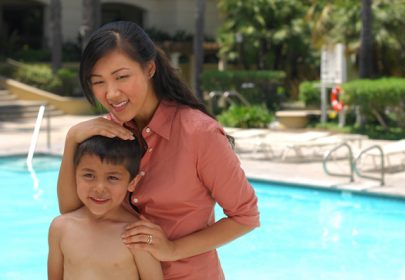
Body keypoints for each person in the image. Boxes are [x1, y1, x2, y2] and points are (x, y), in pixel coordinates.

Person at [57, 20, 260, 279]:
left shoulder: (199, 133)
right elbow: (72, 211)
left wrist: (173, 249)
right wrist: (72, 139)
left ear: (150, 68)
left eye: (121, 77)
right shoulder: (103, 133)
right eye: (98, 82)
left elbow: (246, 216)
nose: (111, 93)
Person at [48, 135, 163, 280]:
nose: (99, 188)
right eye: (89, 175)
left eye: (112, 178)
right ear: (75, 175)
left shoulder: (136, 235)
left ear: (133, 183)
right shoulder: (60, 228)